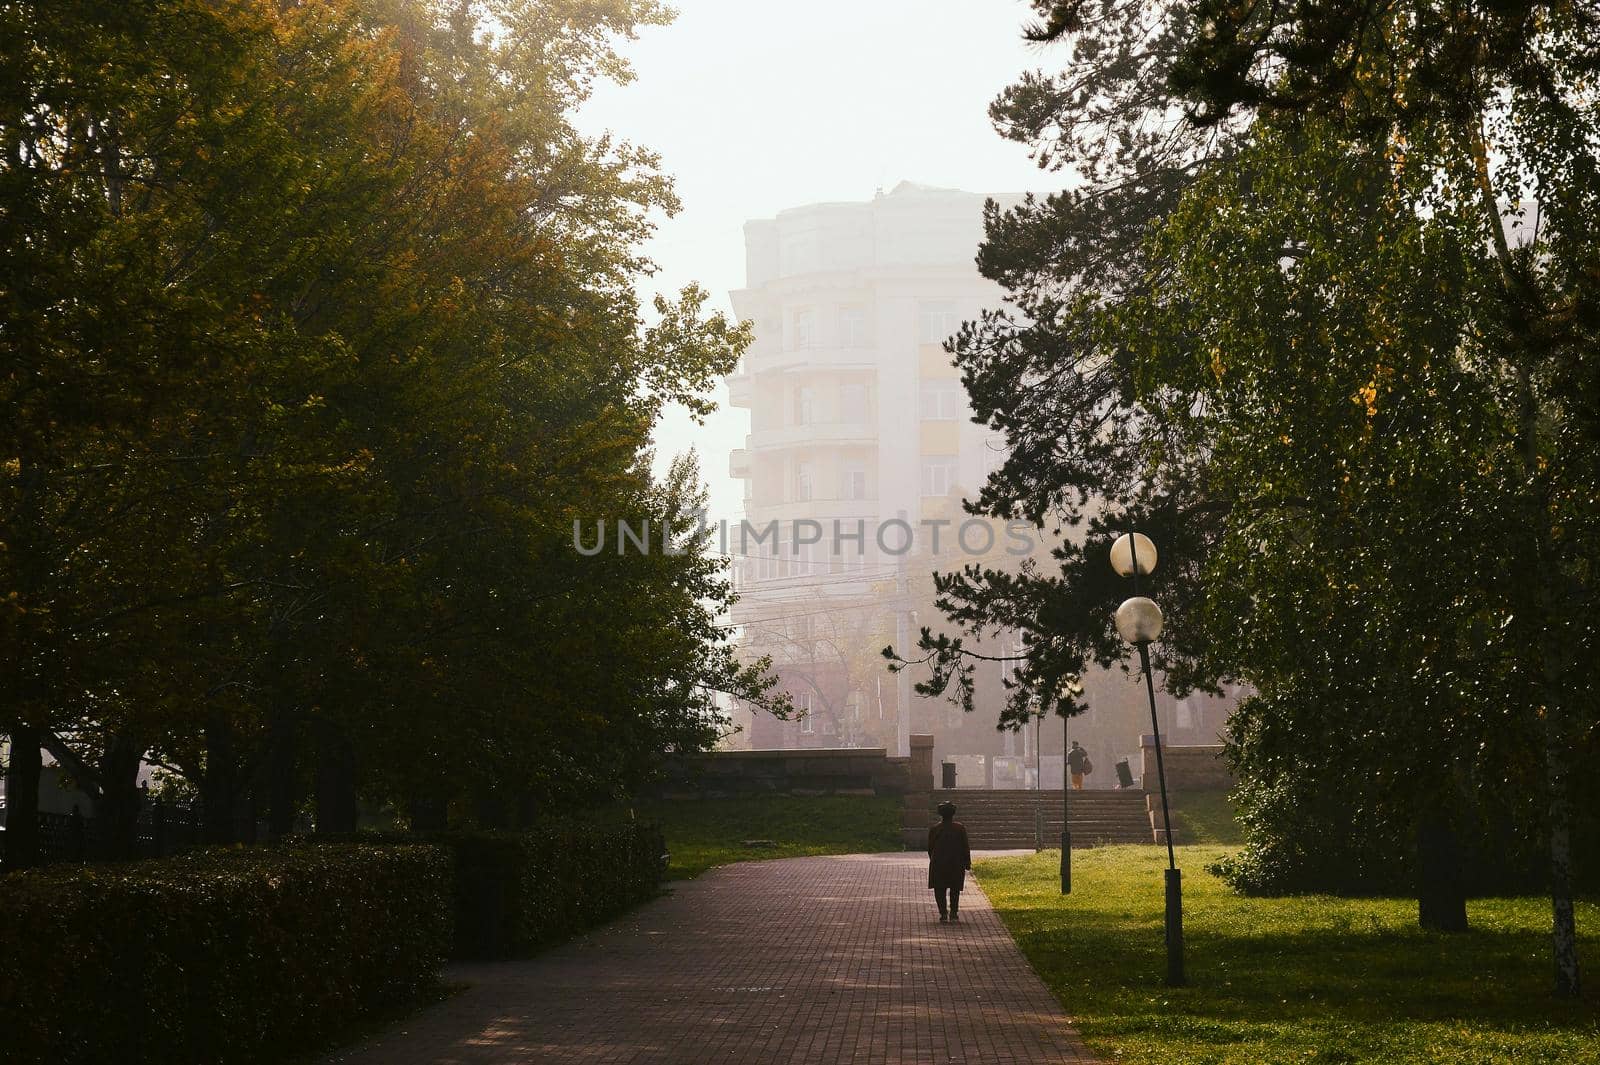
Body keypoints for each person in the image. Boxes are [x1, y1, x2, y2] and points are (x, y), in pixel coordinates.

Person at [927, 801, 971, 923]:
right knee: (955, 888)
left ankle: (943, 913)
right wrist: (967, 862)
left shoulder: (935, 829)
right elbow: (965, 846)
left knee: (939, 889)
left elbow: (930, 848)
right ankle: (953, 912)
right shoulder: (960, 828)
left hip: (939, 863)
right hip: (956, 862)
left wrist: (934, 859)